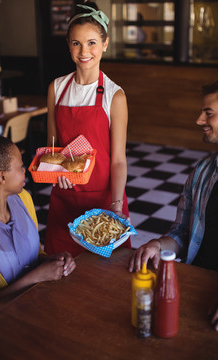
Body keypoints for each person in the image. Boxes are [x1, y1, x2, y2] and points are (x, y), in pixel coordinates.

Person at [128, 80, 218, 331]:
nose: (199, 120)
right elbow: (181, 233)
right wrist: (157, 245)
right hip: (194, 283)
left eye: (208, 113)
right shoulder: (202, 171)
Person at [44, 1, 131, 257]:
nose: (84, 51)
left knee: (106, 276)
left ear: (105, 44)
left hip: (102, 201)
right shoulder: (56, 88)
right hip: (65, 197)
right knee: (59, 273)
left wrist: (115, 206)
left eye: (92, 42)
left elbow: (118, 160)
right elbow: (52, 147)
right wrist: (54, 173)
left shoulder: (114, 96)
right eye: (76, 43)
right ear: (68, 44)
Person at [0, 136, 76, 321]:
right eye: (21, 166)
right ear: (2, 177)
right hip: (2, 328)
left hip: (41, 307)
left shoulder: (23, 199)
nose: (26, 171)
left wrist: (52, 261)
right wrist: (34, 278)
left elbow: (35, 255)